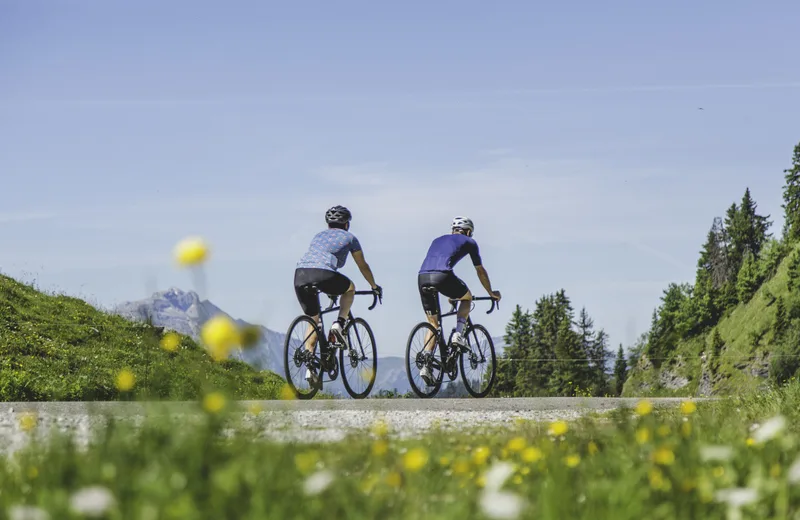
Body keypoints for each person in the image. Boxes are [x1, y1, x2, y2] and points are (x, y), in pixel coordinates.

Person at [294, 205, 382, 386]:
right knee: (350, 288)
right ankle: (339, 324)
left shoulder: (317, 236)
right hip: (324, 274)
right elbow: (362, 265)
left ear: (328, 224)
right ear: (347, 224)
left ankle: (311, 368)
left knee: (313, 320)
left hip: (300, 275)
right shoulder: (350, 237)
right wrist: (373, 286)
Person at [416, 216, 500, 385]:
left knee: (433, 324)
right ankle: (458, 334)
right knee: (467, 297)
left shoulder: (437, 239)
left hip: (422, 277)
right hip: (443, 276)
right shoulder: (469, 242)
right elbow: (480, 270)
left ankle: (426, 363)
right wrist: (491, 292)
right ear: (468, 231)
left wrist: (451, 294)